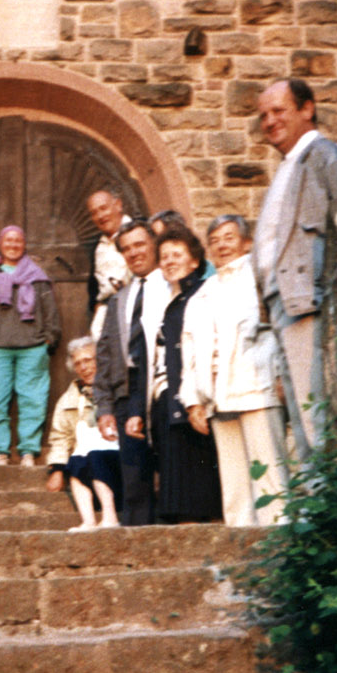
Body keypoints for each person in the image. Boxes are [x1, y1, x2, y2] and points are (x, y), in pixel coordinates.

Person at [252, 78, 337, 461]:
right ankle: (312, 496)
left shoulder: (330, 158)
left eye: (278, 111)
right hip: (281, 305)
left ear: (307, 109)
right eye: (263, 115)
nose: (269, 121)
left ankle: (326, 494)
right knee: (303, 422)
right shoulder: (286, 169)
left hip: (309, 302)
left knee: (316, 418)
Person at [180, 215, 289, 527]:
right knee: (235, 483)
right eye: (214, 240)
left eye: (229, 237)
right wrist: (193, 401)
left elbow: (280, 330)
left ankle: (278, 536)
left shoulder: (262, 280)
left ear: (246, 242)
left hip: (258, 387)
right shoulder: (202, 294)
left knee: (269, 473)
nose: (221, 245)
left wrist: (282, 376)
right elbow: (189, 351)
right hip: (217, 396)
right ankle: (240, 540)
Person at [131, 226, 222, 524]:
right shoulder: (159, 302)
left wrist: (197, 400)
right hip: (163, 401)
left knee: (196, 488)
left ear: (194, 261)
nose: (169, 261)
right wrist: (139, 409)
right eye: (165, 256)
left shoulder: (206, 294)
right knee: (175, 490)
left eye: (177, 255)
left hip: (191, 398)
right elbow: (147, 358)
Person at [0, 224, 61, 467]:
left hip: (33, 347)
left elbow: (51, 313)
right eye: (8, 240)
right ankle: (0, 451)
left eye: (18, 240)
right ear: (0, 244)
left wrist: (48, 339)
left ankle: (28, 450)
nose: (13, 245)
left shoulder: (37, 277)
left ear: (24, 244)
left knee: (33, 401)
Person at [91, 218, 167, 526]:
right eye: (126, 249)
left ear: (154, 245)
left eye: (139, 245)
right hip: (126, 391)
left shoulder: (170, 286)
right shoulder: (119, 299)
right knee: (135, 480)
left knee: (171, 472)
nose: (134, 253)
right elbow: (105, 354)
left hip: (162, 388)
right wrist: (104, 407)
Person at [44, 336, 121, 531]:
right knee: (76, 466)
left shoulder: (117, 388)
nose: (84, 367)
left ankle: (110, 516)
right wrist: (57, 469)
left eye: (88, 360)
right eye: (78, 363)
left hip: (118, 459)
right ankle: (88, 521)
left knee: (96, 457)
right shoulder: (68, 400)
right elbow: (60, 437)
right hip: (87, 460)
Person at [85, 188, 132, 336]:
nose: (100, 216)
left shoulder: (138, 232)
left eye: (103, 208)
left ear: (118, 205)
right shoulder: (98, 247)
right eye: (94, 213)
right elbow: (96, 292)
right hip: (108, 313)